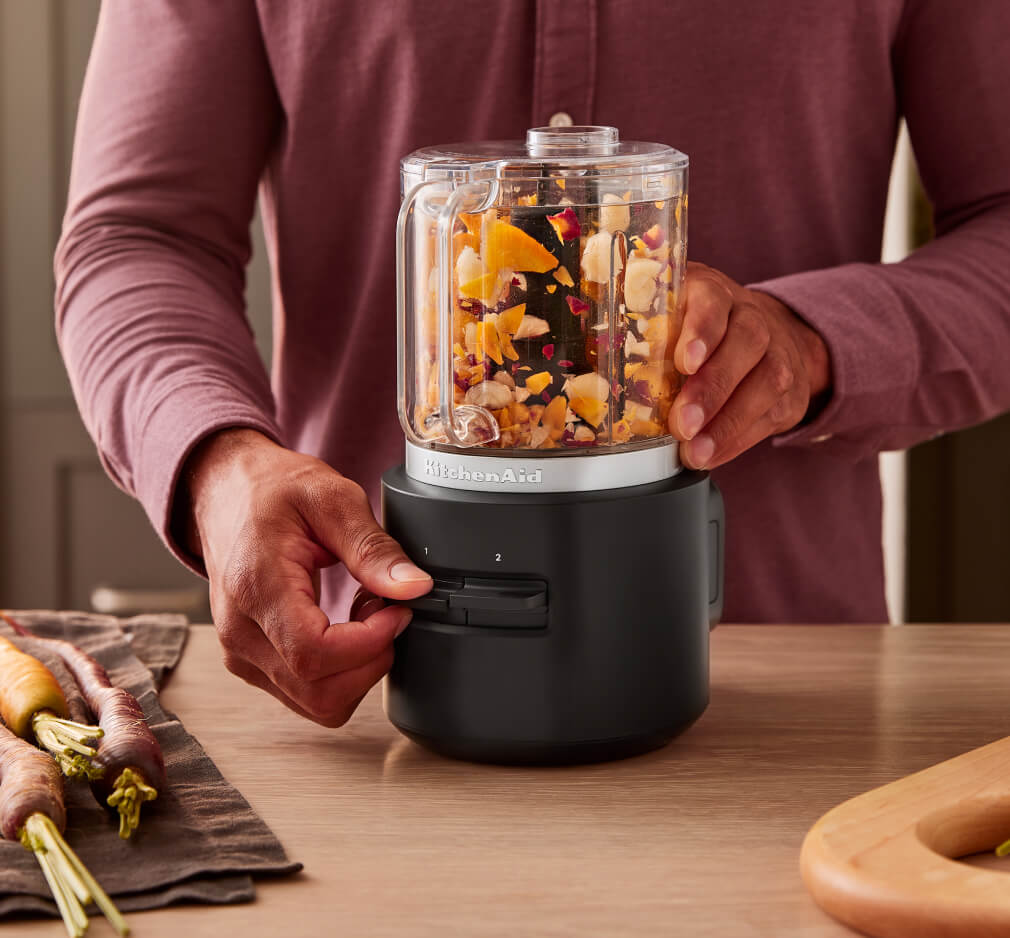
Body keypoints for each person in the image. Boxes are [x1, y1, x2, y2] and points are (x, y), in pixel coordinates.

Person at [56, 1, 1010, 726]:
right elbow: (140, 234)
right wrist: (220, 463)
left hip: (792, 704)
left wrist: (810, 340)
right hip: (355, 674)